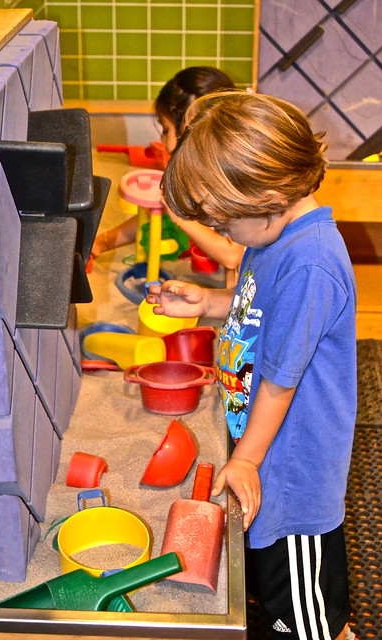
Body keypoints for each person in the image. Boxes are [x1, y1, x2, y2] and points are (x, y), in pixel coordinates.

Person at [146, 90, 357, 640]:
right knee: (271, 592)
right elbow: (260, 307)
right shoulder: (275, 234)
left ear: (266, 194)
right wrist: (209, 303)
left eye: (223, 222)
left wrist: (247, 458)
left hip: (291, 477)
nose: (220, 232)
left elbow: (282, 381)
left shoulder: (311, 261)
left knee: (309, 618)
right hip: (266, 456)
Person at [91, 67, 245, 276]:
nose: (163, 139)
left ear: (191, 128)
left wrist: (179, 218)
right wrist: (103, 242)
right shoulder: (195, 168)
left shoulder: (229, 176)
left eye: (166, 129)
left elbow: (232, 256)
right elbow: (156, 214)